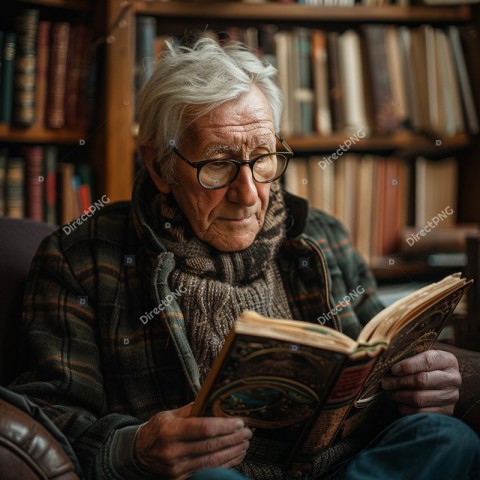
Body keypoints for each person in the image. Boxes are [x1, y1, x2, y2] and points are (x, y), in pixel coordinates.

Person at [9, 37, 479, 480]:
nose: (249, 193)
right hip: (209, 476)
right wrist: (135, 446)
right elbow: (51, 412)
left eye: (264, 157)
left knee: (445, 438)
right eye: (217, 163)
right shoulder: (81, 257)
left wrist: (420, 381)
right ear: (159, 166)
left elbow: (379, 353)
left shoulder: (320, 236)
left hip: (341, 468)